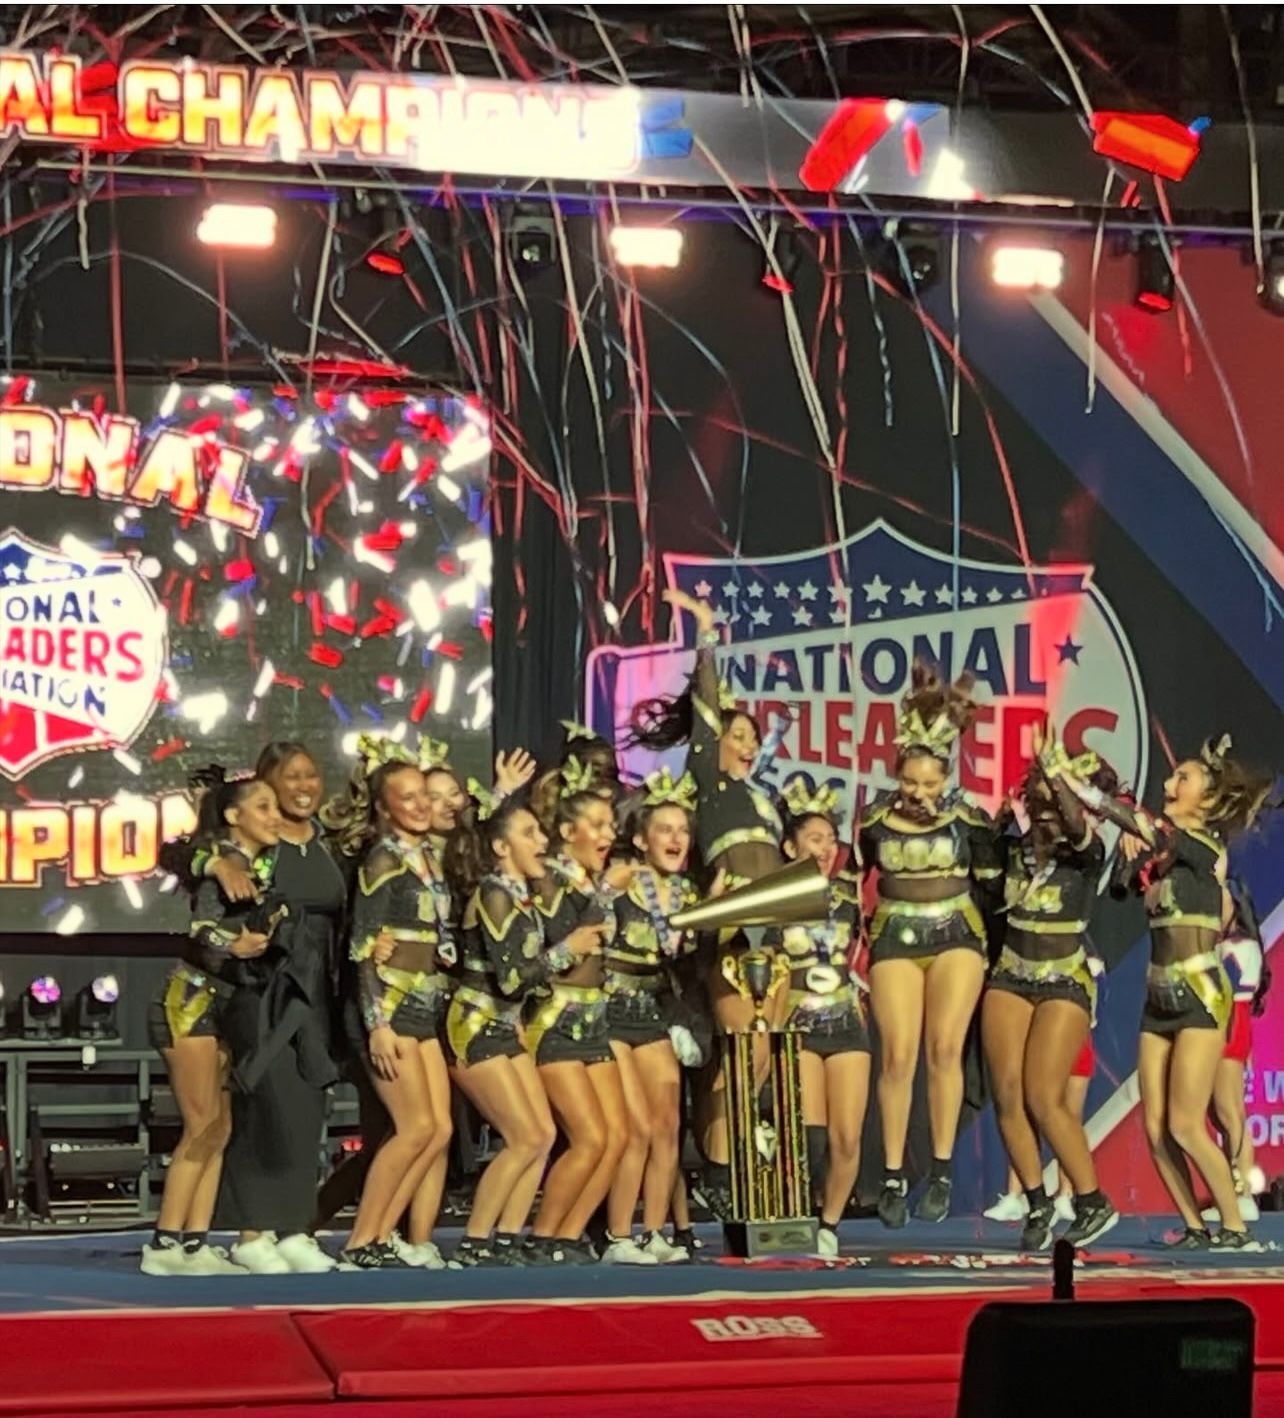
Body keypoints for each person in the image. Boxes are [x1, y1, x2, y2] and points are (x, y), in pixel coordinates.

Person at [1063, 732, 1272, 1249]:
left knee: (1185, 1122)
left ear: (1210, 799)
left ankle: (1236, 1226)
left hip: (1201, 991)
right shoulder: (1159, 844)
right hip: (1158, 998)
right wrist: (1130, 851)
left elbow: (1148, 827)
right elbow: (1115, 889)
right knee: (1155, 1128)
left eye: (1183, 778)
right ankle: (1197, 1228)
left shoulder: (1203, 847)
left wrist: (1088, 793)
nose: (1169, 782)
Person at [627, 588, 786, 1202]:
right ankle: (720, 1175)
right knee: (741, 1050)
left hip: (775, 930)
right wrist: (707, 634)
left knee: (763, 1057)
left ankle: (734, 1170)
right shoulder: (711, 785)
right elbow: (708, 706)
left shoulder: (767, 800)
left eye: (752, 737)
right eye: (735, 733)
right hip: (731, 925)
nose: (745, 742)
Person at [859, 661, 1001, 1228]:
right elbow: (850, 881)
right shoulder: (872, 819)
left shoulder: (970, 818)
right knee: (897, 1055)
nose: (919, 793)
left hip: (956, 934)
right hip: (896, 930)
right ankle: (893, 1170)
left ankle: (941, 1169)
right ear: (898, 774)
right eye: (910, 782)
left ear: (947, 776)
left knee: (945, 1049)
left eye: (930, 783)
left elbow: (995, 887)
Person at [443, 794, 598, 1265]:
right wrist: (566, 950)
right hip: (476, 1022)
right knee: (524, 1136)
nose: (542, 842)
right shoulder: (493, 893)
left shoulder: (522, 896)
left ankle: (507, 1237)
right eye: (529, 834)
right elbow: (512, 977)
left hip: (505, 1025)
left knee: (543, 1135)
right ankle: (474, 1240)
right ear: (500, 846)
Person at [141, 770, 281, 1276]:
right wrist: (234, 944)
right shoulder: (223, 864)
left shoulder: (258, 864)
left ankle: (196, 1245)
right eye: (262, 807)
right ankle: (163, 1244)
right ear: (232, 816)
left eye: (275, 807)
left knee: (220, 1128)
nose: (274, 816)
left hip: (222, 1006)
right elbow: (200, 929)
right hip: (190, 1002)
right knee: (201, 1124)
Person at [982, 728, 1118, 1250]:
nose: (1043, 812)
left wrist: (1055, 771)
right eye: (1034, 799)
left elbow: (1079, 820)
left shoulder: (1088, 850)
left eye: (1051, 803)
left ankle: (1091, 1200)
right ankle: (1037, 1203)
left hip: (1064, 976)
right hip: (1010, 972)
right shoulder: (1014, 845)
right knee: (1008, 1096)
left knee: (1044, 1093)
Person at [327, 739, 457, 1269]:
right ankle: (363, 1239)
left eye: (423, 795)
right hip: (390, 1004)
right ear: (385, 808)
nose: (421, 805)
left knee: (440, 1129)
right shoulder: (382, 859)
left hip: (423, 1005)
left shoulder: (427, 856)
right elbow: (362, 946)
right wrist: (376, 1024)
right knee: (415, 1127)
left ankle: (385, 1235)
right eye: (407, 798)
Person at [523, 761, 632, 1261]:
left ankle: (568, 1239)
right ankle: (543, 1237)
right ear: (568, 832)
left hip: (595, 1018)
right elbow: (549, 954)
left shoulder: (590, 883)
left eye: (611, 826)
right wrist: (606, 895)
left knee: (618, 1137)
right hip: (556, 1019)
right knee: (588, 1138)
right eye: (598, 825)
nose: (609, 834)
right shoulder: (547, 877)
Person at [602, 769, 706, 1264]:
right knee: (638, 1128)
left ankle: (653, 1232)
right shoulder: (621, 880)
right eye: (665, 830)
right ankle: (618, 1234)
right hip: (610, 1008)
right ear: (642, 839)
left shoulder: (688, 894)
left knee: (668, 1128)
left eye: (682, 831)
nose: (676, 839)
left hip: (654, 1010)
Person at [768, 778, 870, 1257]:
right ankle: (800, 1216)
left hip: (845, 1022)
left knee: (847, 1138)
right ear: (790, 845)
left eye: (831, 840)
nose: (827, 848)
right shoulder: (772, 898)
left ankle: (830, 1223)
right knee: (806, 1137)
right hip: (799, 1024)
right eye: (815, 839)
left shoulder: (849, 894)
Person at [1204, 875, 1269, 1224]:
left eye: (1223, 903)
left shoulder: (1237, 946)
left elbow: (1225, 986)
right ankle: (1235, 1187)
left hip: (1229, 1022)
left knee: (1229, 1112)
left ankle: (1241, 1194)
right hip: (1229, 1020)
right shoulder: (1229, 944)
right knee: (1222, 1113)